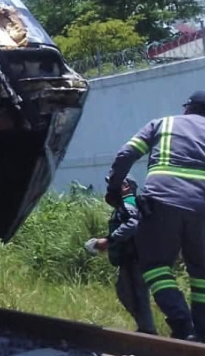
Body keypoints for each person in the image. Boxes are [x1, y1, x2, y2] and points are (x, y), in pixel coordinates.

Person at [105, 90, 205, 342]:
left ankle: (183, 325)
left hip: (162, 201)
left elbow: (126, 155)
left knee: (156, 266)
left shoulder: (163, 124)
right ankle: (202, 331)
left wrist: (115, 189)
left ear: (187, 109)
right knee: (202, 273)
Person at [84, 176, 157, 335]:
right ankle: (145, 327)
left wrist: (109, 240)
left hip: (135, 257)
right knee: (127, 292)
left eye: (116, 184)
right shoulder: (125, 204)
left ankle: (148, 331)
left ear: (127, 187)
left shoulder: (128, 203)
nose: (111, 188)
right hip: (131, 257)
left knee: (137, 294)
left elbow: (132, 224)